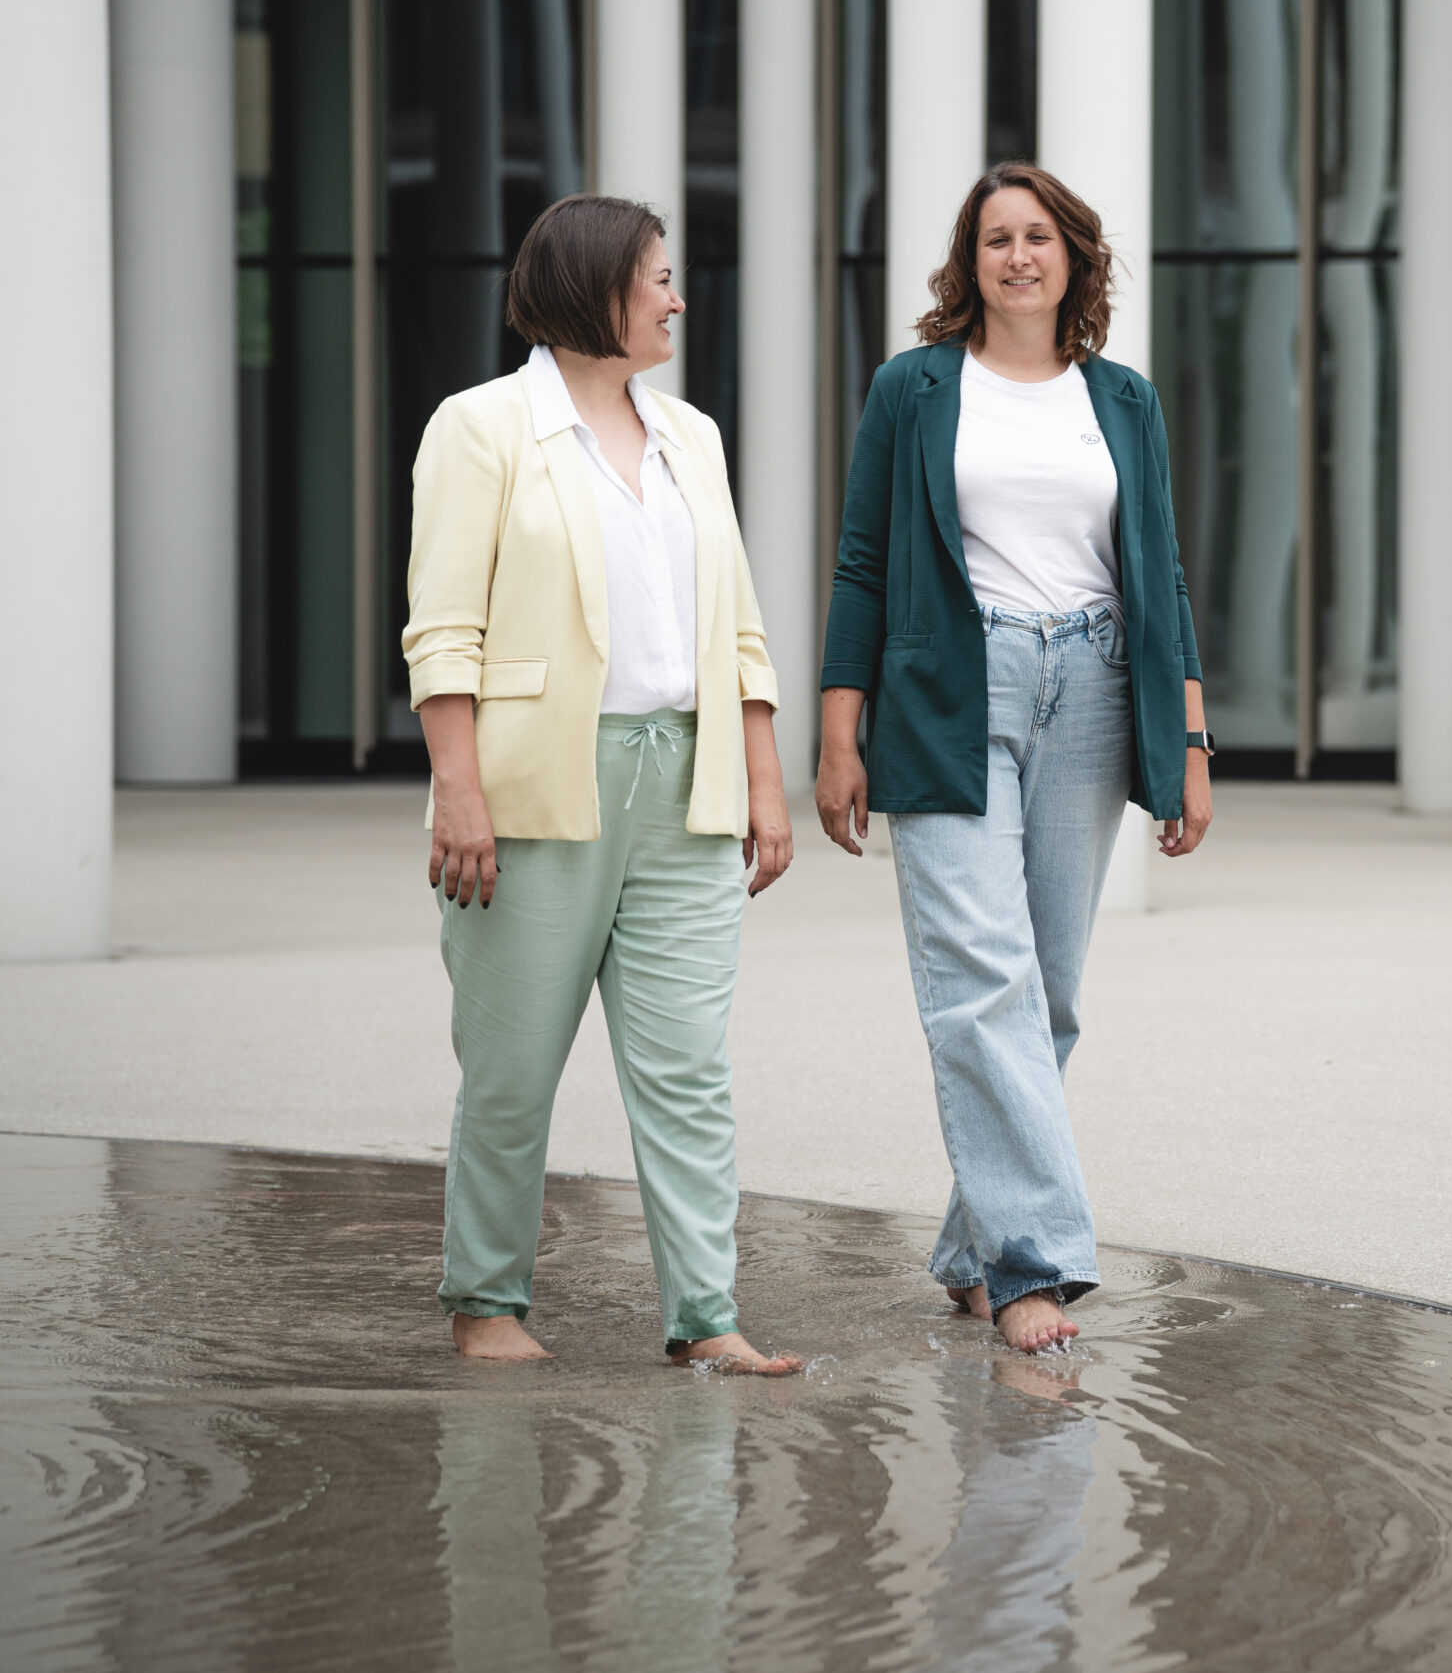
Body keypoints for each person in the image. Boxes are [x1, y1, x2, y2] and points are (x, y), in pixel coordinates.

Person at [816, 162, 1212, 1353]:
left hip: (1091, 687)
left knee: (1048, 992)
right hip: (950, 690)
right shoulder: (915, 388)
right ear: (970, 262)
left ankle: (971, 1244)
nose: (1019, 255)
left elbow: (1167, 577)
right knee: (981, 975)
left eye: (1039, 236)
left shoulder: (1123, 400)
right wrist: (841, 735)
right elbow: (862, 566)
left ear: (1073, 258)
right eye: (997, 238)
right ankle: (1034, 1262)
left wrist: (1188, 742)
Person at [404, 193, 802, 1373]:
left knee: (687, 1068)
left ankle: (707, 1316)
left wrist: (762, 781)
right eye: (660, 278)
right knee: (514, 1067)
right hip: (534, 788)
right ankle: (486, 1303)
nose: (679, 298)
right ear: (595, 287)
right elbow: (444, 627)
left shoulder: (694, 436)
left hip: (688, 782)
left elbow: (735, 624)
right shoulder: (478, 429)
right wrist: (458, 788)